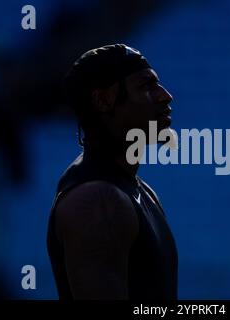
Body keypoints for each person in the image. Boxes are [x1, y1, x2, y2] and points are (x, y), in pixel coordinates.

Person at [47, 44, 178, 300]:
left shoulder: (137, 191)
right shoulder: (98, 201)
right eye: (146, 86)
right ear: (103, 100)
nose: (165, 96)